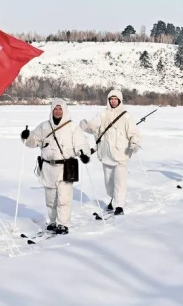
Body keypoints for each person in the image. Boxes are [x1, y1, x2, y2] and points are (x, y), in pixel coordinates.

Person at [22, 98, 91, 235]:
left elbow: (81, 144)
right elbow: (33, 141)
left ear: (64, 110)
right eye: (55, 109)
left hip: (65, 167)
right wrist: (26, 137)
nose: (58, 111)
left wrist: (84, 154)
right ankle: (53, 221)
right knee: (50, 198)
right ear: (52, 110)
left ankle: (63, 224)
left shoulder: (72, 127)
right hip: (48, 167)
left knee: (64, 198)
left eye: (60, 109)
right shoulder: (44, 126)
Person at [80, 89, 141, 215]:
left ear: (119, 100)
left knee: (120, 181)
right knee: (109, 183)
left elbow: (134, 133)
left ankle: (119, 205)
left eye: (115, 99)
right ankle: (113, 199)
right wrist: (86, 126)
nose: (113, 101)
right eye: (111, 99)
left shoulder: (126, 116)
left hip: (121, 154)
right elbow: (93, 127)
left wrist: (134, 143)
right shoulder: (103, 114)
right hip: (106, 153)